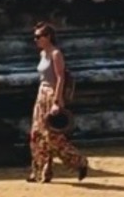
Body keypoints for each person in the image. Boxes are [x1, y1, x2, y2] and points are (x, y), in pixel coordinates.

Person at [28, 22, 88, 184]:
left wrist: (57, 100)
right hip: (41, 94)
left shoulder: (56, 54)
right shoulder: (42, 54)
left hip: (52, 94)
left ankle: (78, 161)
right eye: (35, 37)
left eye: (39, 36)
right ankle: (41, 170)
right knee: (37, 134)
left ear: (48, 37)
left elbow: (60, 77)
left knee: (53, 136)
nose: (36, 40)